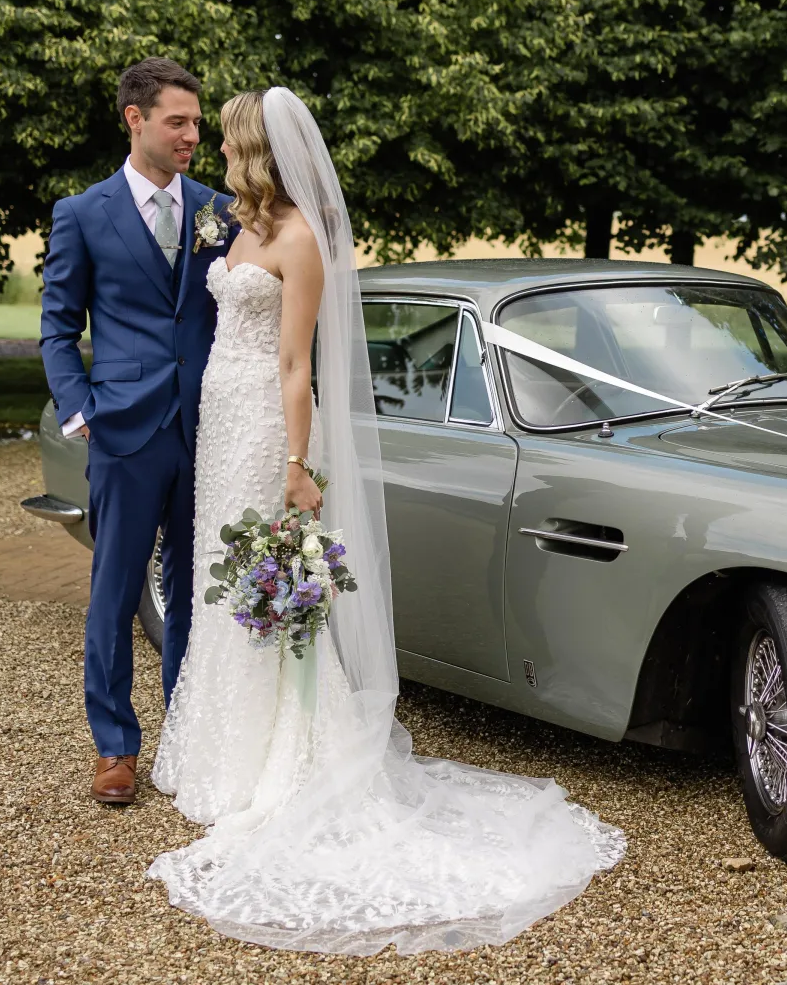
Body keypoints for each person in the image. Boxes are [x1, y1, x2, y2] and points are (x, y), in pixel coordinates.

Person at [148, 86, 623, 954]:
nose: (215, 153)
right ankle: (219, 750)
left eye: (225, 141)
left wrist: (297, 470)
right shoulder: (243, 227)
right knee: (230, 590)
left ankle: (283, 758)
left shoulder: (298, 242)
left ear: (254, 149)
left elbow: (298, 367)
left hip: (265, 427)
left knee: (274, 589)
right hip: (221, 420)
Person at [39, 58, 230, 804]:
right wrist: (79, 408)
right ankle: (115, 747)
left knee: (193, 591)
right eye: (177, 121)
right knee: (115, 592)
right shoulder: (82, 213)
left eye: (196, 121)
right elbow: (57, 328)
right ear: (135, 119)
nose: (192, 135)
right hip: (123, 430)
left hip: (209, 427)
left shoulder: (220, 207)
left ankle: (185, 737)